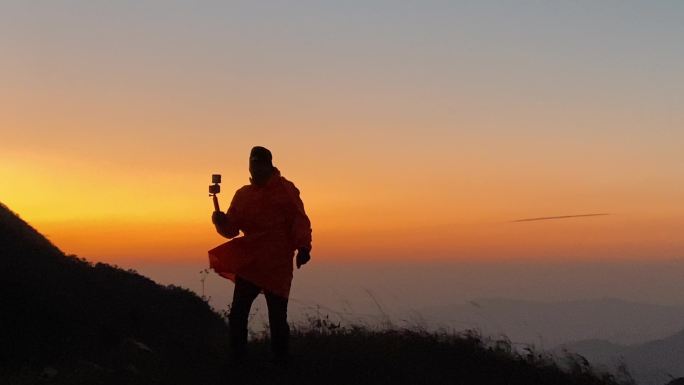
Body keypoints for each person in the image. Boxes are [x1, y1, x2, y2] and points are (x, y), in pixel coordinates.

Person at [208, 146, 312, 362]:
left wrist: (304, 247)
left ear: (269, 165)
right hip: (251, 263)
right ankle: (238, 359)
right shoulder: (243, 195)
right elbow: (231, 229)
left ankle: (281, 361)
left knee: (277, 317)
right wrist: (219, 221)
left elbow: (299, 221)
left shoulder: (286, 190)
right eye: (252, 165)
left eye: (258, 165)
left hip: (277, 264)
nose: (255, 170)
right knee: (238, 314)